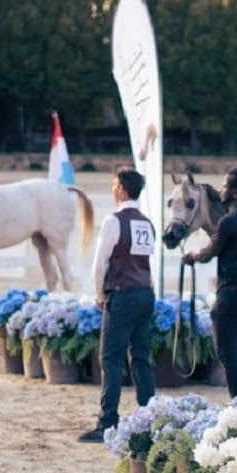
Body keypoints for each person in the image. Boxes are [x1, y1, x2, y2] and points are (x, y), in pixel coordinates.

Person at [79, 167, 157, 443]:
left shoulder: (114, 221)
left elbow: (100, 263)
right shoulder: (147, 223)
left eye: (114, 185)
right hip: (145, 293)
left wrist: (100, 295)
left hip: (122, 294)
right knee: (141, 357)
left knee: (110, 358)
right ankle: (150, 417)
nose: (113, 190)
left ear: (122, 189)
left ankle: (107, 421)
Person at [181, 168, 237, 397]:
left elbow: (210, 251)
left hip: (230, 293)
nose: (221, 190)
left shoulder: (228, 222)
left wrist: (192, 256)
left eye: (225, 186)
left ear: (235, 193)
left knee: (226, 353)